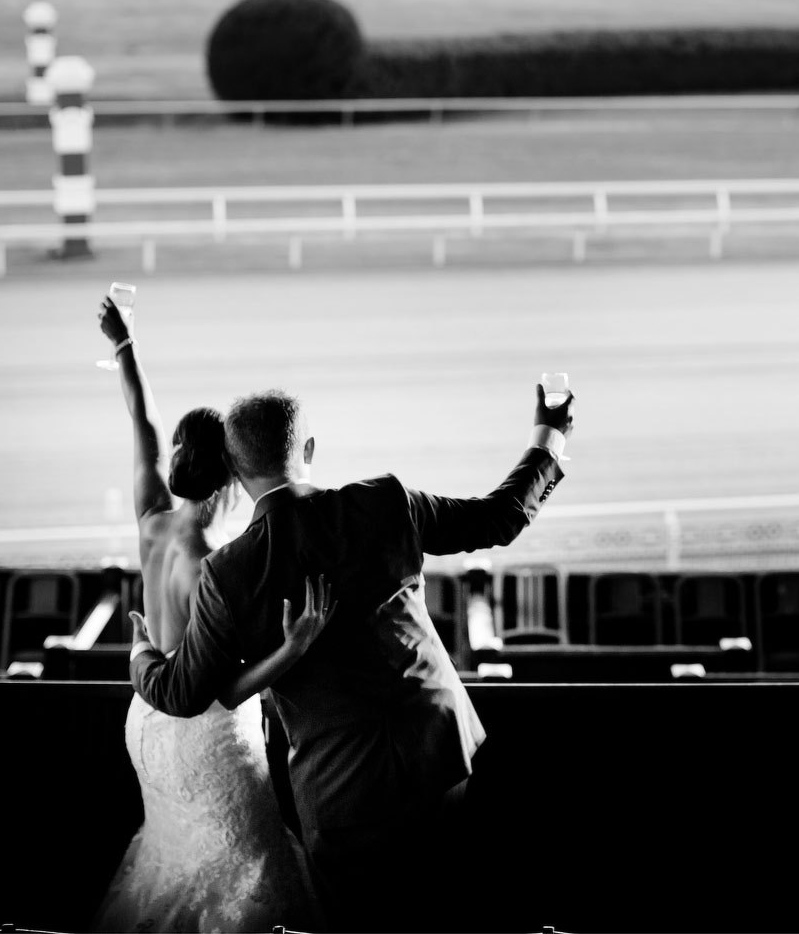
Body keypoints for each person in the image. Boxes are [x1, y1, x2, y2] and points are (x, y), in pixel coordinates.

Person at [130, 383, 572, 932]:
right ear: (308, 448)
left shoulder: (230, 573)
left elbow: (180, 692)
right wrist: (549, 435)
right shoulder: (384, 501)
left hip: (342, 792)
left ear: (236, 472)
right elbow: (497, 518)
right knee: (454, 912)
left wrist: (142, 650)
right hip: (440, 752)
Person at [91, 296, 327, 932]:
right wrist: (292, 648)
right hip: (203, 738)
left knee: (173, 857)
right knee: (245, 866)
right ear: (233, 475)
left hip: (146, 725)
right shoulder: (216, 566)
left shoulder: (152, 520)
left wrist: (125, 345)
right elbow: (221, 689)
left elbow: (143, 423)